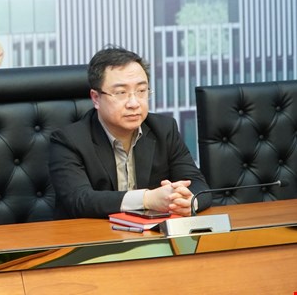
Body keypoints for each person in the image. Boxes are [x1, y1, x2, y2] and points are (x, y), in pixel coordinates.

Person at [48, 46, 211, 219]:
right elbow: (79, 200)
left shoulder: (164, 129)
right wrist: (147, 199)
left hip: (151, 232)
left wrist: (188, 202)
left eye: (141, 91)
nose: (134, 103)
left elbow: (198, 186)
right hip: (95, 233)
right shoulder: (68, 141)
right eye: (121, 93)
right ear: (96, 98)